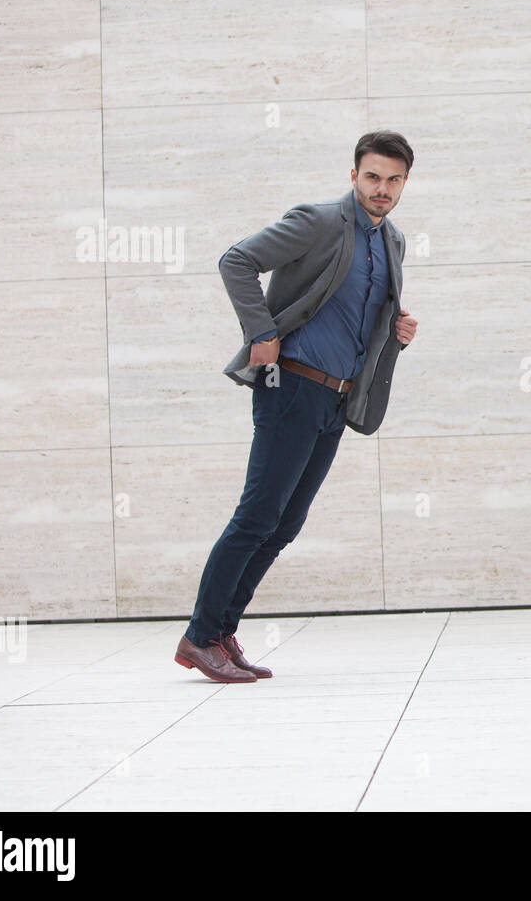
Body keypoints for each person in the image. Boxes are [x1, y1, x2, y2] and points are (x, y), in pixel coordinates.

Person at [174, 130, 418, 682]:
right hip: (293, 387)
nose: (381, 188)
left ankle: (219, 631)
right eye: (372, 176)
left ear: (405, 183)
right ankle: (199, 636)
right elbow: (236, 260)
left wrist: (397, 335)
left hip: (336, 399)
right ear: (354, 174)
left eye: (393, 179)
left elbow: (362, 318)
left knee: (284, 524)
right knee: (257, 515)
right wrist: (260, 331)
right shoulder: (320, 221)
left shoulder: (392, 242)